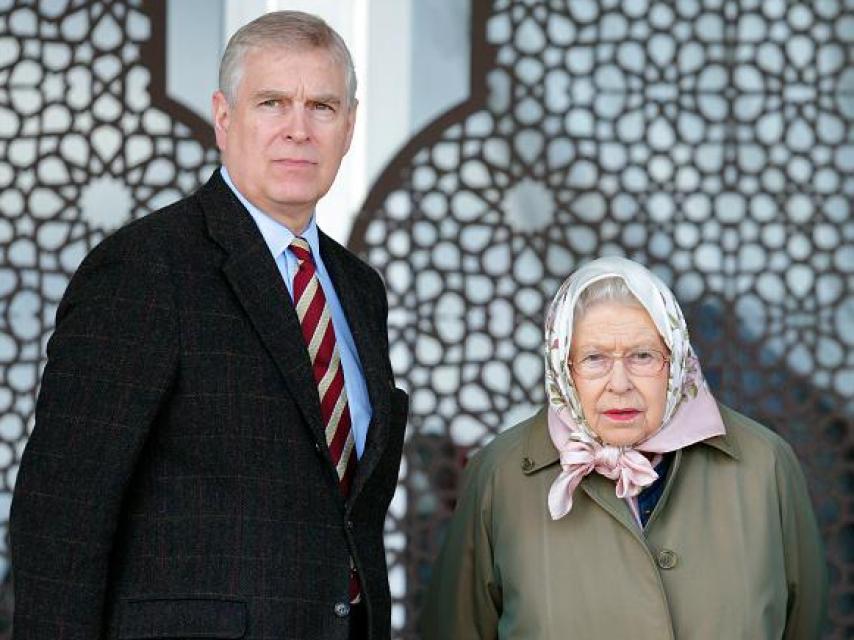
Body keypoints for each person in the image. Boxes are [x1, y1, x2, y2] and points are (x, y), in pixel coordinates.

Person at [11, 11, 408, 640]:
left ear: (350, 125)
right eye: (273, 102)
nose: (298, 130)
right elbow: (61, 513)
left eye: (323, 107)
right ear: (224, 117)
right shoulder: (145, 267)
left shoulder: (360, 291)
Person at [421, 256, 826, 639]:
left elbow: (804, 623)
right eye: (595, 358)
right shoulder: (500, 474)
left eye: (643, 356)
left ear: (678, 360)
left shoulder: (764, 464)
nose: (619, 383)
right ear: (563, 367)